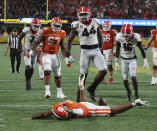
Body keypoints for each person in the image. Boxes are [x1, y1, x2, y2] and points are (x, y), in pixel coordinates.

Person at [23, 74, 149, 120]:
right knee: (83, 100)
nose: (68, 117)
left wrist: (71, 111)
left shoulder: (74, 111)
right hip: (82, 104)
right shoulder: (58, 108)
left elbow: (84, 111)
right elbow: (44, 114)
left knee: (112, 112)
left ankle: (134, 103)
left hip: (90, 110)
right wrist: (31, 117)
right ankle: (81, 86)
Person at [66, 6, 107, 102]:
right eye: (81, 15)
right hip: (85, 52)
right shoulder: (76, 25)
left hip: (96, 50)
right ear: (78, 15)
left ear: (89, 14)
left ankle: (92, 88)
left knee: (104, 70)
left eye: (85, 14)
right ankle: (78, 95)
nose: (83, 16)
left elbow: (100, 36)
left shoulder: (95, 22)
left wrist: (101, 48)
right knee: (83, 75)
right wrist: (68, 54)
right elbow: (69, 41)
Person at [29, 17, 72, 98]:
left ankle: (60, 93)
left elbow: (63, 47)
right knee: (47, 71)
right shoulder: (45, 31)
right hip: (46, 54)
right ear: (52, 24)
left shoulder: (62, 33)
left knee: (58, 75)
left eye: (58, 26)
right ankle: (47, 92)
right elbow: (37, 42)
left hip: (55, 55)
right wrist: (30, 51)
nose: (56, 27)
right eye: (55, 25)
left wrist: (66, 59)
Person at [115, 24, 149, 102]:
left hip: (132, 59)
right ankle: (128, 92)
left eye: (127, 36)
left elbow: (141, 48)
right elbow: (117, 48)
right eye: (125, 36)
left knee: (133, 77)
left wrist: (145, 60)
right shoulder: (119, 36)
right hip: (123, 60)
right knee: (125, 79)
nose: (126, 38)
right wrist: (116, 60)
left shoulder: (136, 37)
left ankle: (136, 93)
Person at [18, 18, 41, 90]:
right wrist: (20, 49)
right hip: (27, 50)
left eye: (38, 26)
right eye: (35, 26)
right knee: (28, 66)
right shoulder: (26, 29)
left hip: (35, 51)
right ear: (31, 25)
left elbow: (40, 44)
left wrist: (39, 55)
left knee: (32, 68)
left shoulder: (40, 32)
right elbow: (19, 38)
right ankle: (27, 82)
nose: (37, 27)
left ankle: (29, 80)